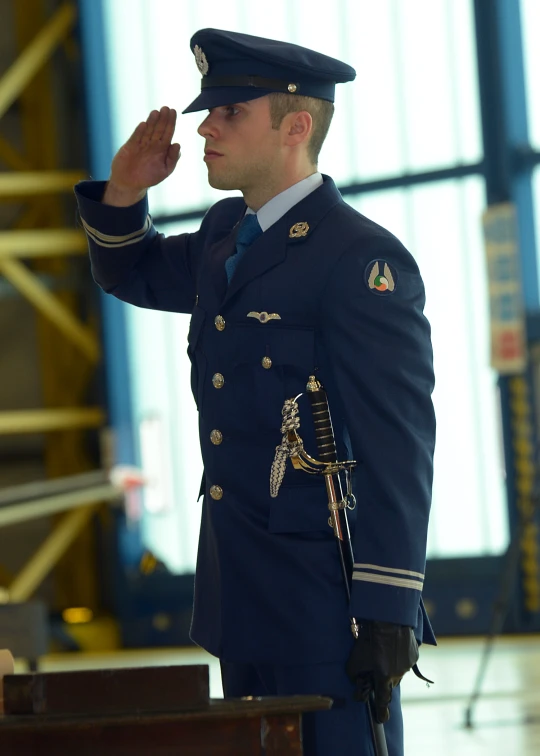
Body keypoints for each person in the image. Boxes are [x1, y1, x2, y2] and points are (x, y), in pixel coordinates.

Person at [75, 28, 436, 756]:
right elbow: (132, 272)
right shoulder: (224, 236)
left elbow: (398, 445)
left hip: (324, 604)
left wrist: (391, 604)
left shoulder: (359, 259)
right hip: (239, 594)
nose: (204, 126)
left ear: (294, 127)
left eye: (230, 111)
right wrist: (124, 192)